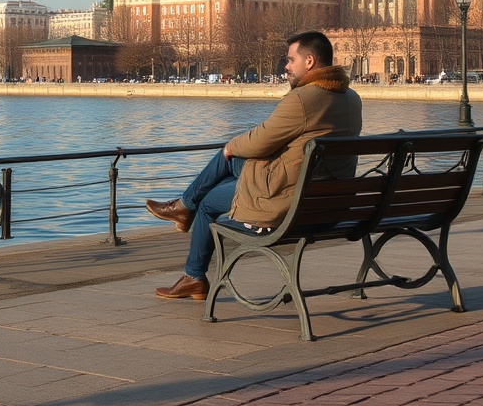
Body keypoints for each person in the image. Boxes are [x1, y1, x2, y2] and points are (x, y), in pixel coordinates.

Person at [146, 30, 363, 300]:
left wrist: (229, 146)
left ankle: (193, 268)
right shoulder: (351, 97)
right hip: (331, 202)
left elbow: (261, 140)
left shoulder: (304, 98)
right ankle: (183, 207)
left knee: (209, 199)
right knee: (232, 165)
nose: (286, 66)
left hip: (291, 202)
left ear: (309, 62)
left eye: (290, 60)